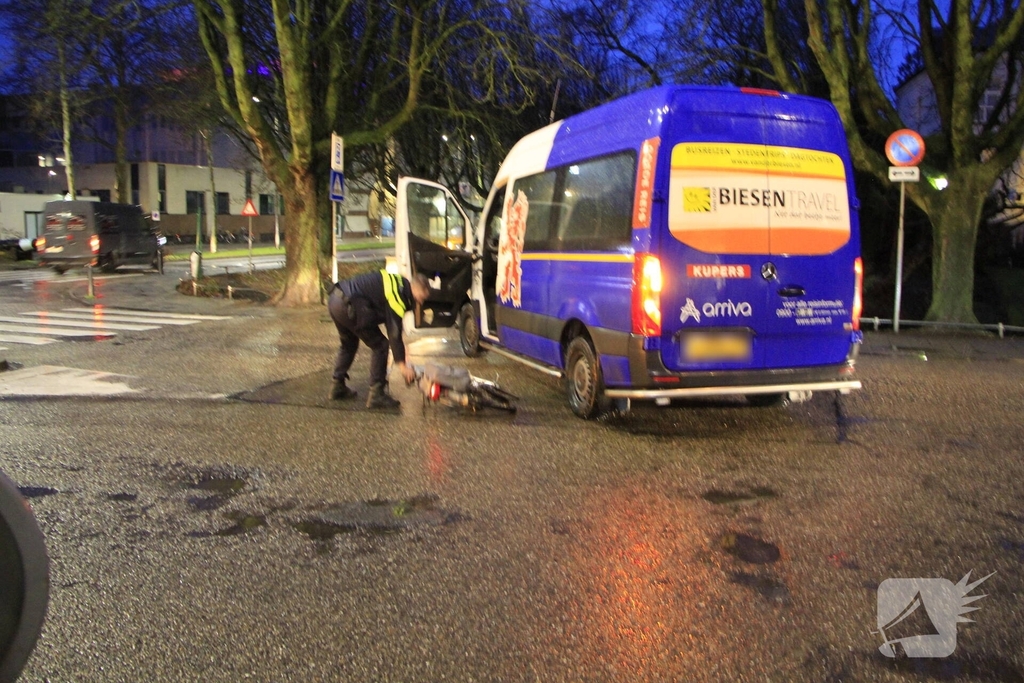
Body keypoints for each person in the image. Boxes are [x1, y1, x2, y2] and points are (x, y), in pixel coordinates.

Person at [328, 269, 430, 409]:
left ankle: (337, 385)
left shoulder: (398, 284)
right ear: (415, 288)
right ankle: (377, 394)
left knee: (349, 344)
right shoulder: (399, 295)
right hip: (351, 304)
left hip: (335, 299)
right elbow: (394, 332)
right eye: (421, 298)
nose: (420, 303)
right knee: (381, 345)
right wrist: (402, 367)